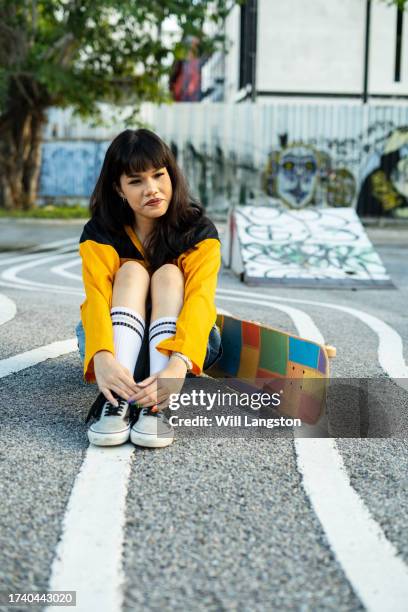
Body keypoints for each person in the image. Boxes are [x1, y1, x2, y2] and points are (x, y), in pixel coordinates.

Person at [75, 128, 223, 449]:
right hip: (114, 349)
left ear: (172, 174)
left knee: (169, 274)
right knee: (130, 271)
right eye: (136, 181)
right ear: (118, 188)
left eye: (159, 175)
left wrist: (179, 364)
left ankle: (157, 407)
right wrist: (101, 355)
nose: (152, 189)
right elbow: (96, 298)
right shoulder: (100, 232)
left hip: (177, 352)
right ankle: (117, 400)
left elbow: (200, 299)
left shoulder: (197, 231)